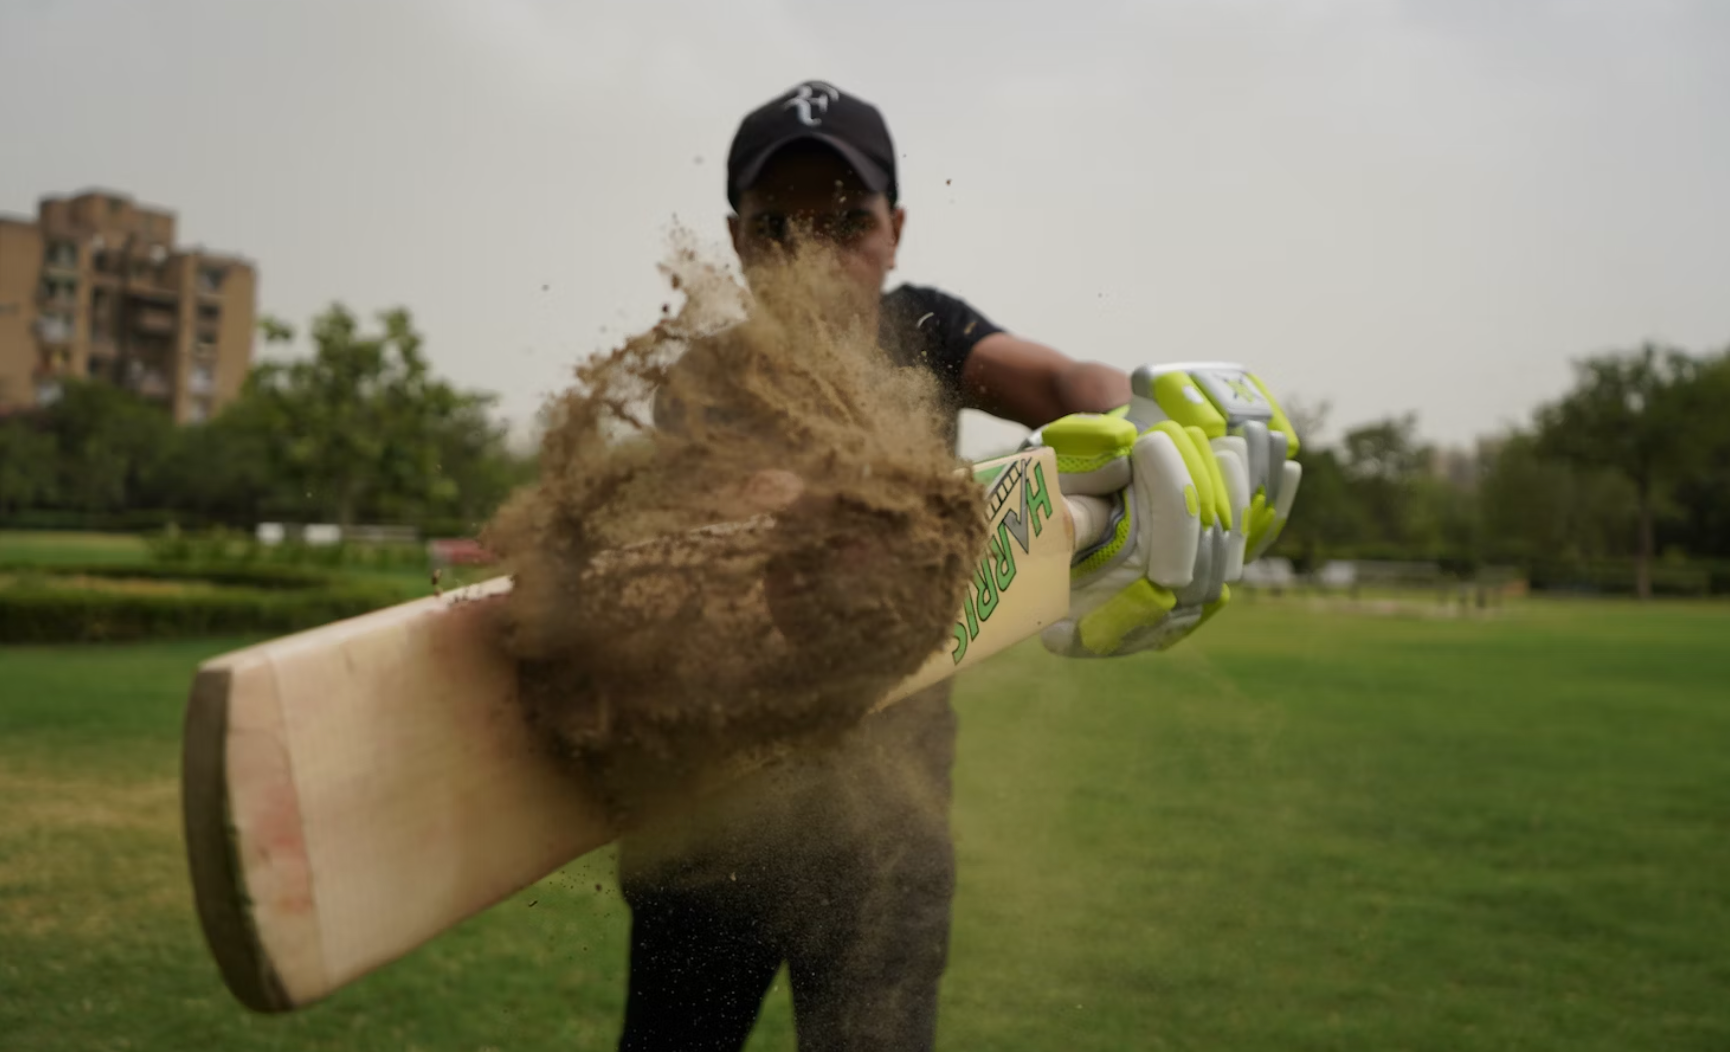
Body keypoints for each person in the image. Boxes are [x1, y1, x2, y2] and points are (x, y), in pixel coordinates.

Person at [617, 80, 1298, 1052]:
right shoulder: (702, 377)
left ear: (894, 229)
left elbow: (1062, 380)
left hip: (884, 836)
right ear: (734, 239)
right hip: (710, 823)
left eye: (846, 221)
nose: (814, 255)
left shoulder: (925, 329)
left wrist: (1137, 424)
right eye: (777, 228)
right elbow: (751, 505)